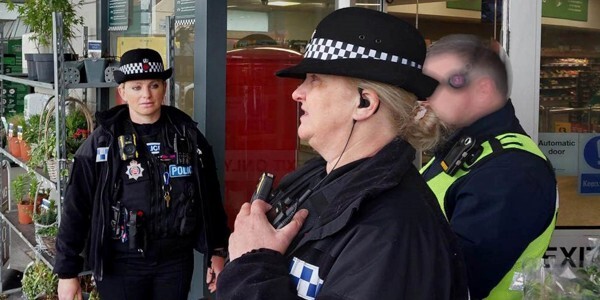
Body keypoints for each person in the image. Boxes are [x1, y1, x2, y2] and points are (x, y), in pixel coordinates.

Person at [216, 7, 468, 300]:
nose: (297, 93)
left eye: (314, 79)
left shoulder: (393, 233)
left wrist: (251, 267)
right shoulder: (318, 178)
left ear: (364, 103)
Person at [54, 48, 230, 300]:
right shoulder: (102, 142)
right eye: (136, 87)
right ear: (122, 92)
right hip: (119, 262)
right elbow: (75, 208)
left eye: (154, 85)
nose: (146, 95)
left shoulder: (187, 135)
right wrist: (67, 272)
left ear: (164, 88)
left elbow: (209, 196)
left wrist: (217, 249)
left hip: (174, 262)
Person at [420, 34, 558, 299]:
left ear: (483, 89)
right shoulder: (465, 148)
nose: (424, 99)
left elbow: (454, 282)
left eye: (432, 85)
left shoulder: (512, 171)